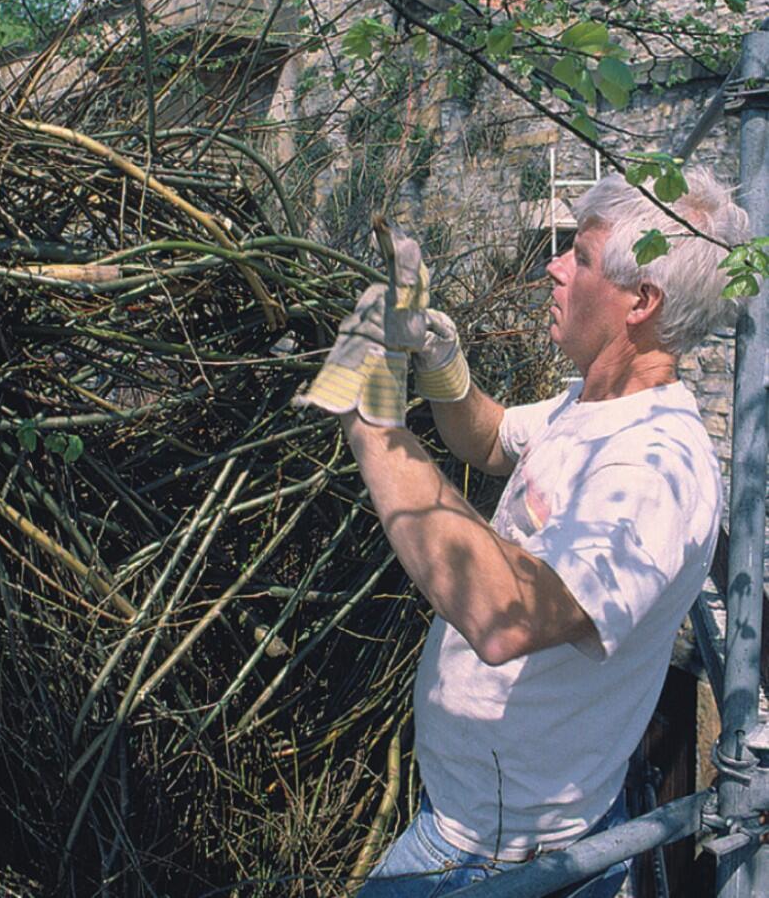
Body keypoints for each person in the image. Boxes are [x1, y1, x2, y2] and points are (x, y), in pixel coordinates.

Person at [297, 166, 751, 896]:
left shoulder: (656, 470)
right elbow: (492, 438)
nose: (553, 264)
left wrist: (371, 422)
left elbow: (505, 617)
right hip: (471, 824)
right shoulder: (594, 405)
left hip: (507, 860)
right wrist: (443, 366)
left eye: (582, 255)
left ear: (642, 301)